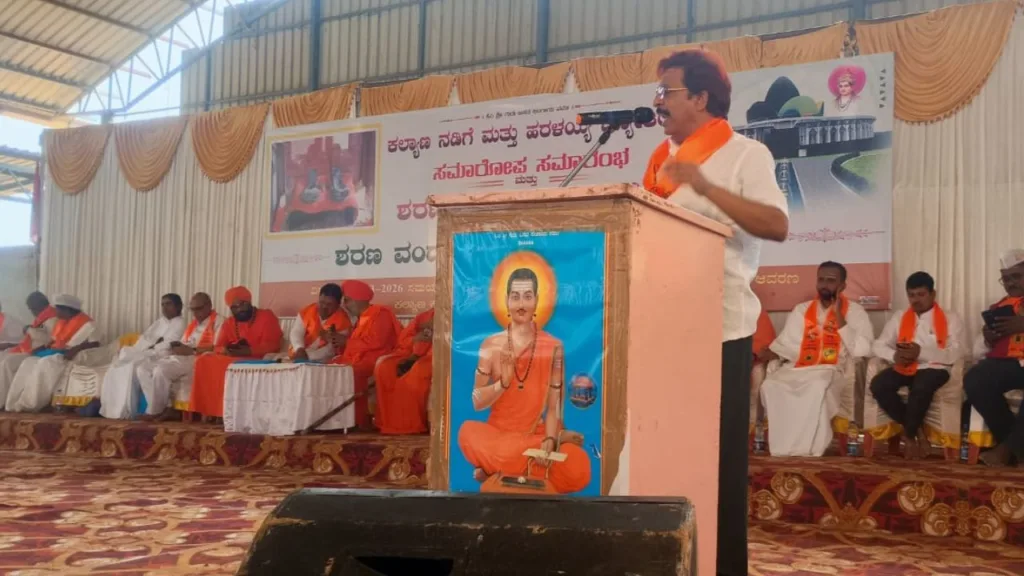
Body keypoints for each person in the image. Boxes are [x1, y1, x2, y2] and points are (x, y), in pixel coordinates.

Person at [644, 48, 789, 576]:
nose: (658, 102)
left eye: (668, 92)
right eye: (658, 92)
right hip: (660, 327)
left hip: (720, 329)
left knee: (718, 463)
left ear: (701, 98)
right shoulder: (660, 161)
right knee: (665, 453)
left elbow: (776, 225)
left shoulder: (745, 154)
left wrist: (705, 186)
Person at [457, 268, 591, 494]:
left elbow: (553, 406)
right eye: (515, 296)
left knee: (579, 466)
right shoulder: (491, 345)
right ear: (506, 300)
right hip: (498, 436)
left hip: (536, 432)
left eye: (527, 296)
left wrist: (549, 439)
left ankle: (496, 469)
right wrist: (503, 384)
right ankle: (525, 462)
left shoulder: (553, 346)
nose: (521, 304)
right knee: (467, 433)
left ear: (536, 301)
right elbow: (477, 401)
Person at [759, 262, 872, 457]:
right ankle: (782, 448)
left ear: (843, 285)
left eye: (831, 280)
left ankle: (809, 448)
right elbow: (788, 344)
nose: (824, 285)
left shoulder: (855, 312)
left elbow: (862, 349)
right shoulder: (801, 310)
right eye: (821, 279)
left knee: (818, 386)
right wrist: (775, 352)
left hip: (831, 368)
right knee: (771, 385)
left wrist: (839, 316)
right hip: (799, 367)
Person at [869, 272, 965, 459]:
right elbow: (878, 345)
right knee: (879, 385)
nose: (916, 300)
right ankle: (916, 431)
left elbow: (957, 351)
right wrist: (894, 355)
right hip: (905, 366)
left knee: (920, 387)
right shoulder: (899, 317)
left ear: (932, 294)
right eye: (911, 295)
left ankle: (909, 435)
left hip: (936, 367)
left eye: (921, 294)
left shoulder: (950, 318)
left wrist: (921, 352)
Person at [964, 250, 1024, 467]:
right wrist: (988, 338)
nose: (1010, 283)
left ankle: (1006, 450)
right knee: (975, 379)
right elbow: (978, 351)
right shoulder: (1000, 307)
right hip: (1009, 364)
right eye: (1005, 279)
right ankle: (1014, 448)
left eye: (1016, 276)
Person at [189, 286, 282, 420]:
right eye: (235, 307)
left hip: (258, 358)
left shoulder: (266, 316)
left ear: (249, 302)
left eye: (242, 304)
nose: (240, 309)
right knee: (204, 360)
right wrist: (226, 350)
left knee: (226, 365)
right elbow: (219, 346)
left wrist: (249, 351)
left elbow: (273, 344)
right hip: (233, 357)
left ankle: (224, 412)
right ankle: (210, 410)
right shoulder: (229, 323)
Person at [5, 295, 103, 412]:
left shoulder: (89, 325)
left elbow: (95, 343)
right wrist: (41, 348)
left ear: (67, 310)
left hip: (71, 354)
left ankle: (30, 404)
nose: (55, 311)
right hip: (56, 351)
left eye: (58, 309)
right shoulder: (61, 322)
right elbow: (55, 341)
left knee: (45, 363)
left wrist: (77, 348)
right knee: (28, 362)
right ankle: (13, 402)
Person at [136, 292, 224, 420]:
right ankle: (165, 407)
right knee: (142, 369)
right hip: (182, 356)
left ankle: (154, 412)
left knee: (161, 370)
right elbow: (184, 342)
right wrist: (177, 347)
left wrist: (192, 350)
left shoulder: (219, 322)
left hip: (200, 358)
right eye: (192, 310)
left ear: (209, 305)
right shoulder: (194, 324)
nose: (195, 313)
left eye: (198, 309)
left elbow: (218, 347)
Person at [98, 294, 186, 420]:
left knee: (134, 366)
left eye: (168, 304)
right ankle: (114, 409)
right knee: (116, 365)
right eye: (162, 304)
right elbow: (144, 338)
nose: (165, 307)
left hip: (163, 355)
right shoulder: (159, 322)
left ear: (178, 306)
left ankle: (132, 410)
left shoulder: (181, 323)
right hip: (147, 351)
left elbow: (170, 343)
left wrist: (154, 345)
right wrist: (146, 346)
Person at [328, 280, 402, 429]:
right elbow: (356, 344)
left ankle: (356, 420)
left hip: (379, 358)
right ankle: (334, 420)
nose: (345, 305)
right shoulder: (361, 319)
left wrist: (346, 341)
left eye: (347, 300)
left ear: (358, 299)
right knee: (329, 367)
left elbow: (378, 341)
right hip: (360, 358)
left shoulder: (380, 314)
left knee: (352, 372)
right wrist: (340, 344)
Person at [374, 308, 434, 435]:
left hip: (437, 356)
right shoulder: (424, 316)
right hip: (411, 354)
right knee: (384, 366)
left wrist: (439, 331)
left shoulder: (458, 315)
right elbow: (403, 340)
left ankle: (411, 424)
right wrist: (415, 339)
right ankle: (388, 422)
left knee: (417, 371)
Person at [0, 292, 57, 403]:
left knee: (7, 362)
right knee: (5, 359)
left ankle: (2, 399)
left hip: (40, 352)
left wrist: (29, 330)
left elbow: (48, 339)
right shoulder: (43, 317)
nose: (32, 312)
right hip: (30, 350)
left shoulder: (52, 318)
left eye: (31, 308)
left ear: (37, 306)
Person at [288, 283, 350, 362]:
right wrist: (299, 348)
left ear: (338, 305)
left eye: (329, 304)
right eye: (321, 302)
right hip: (298, 354)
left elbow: (330, 350)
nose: (324, 307)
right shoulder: (308, 311)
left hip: (324, 360)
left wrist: (307, 356)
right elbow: (296, 332)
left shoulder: (343, 322)